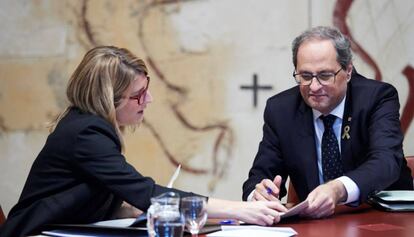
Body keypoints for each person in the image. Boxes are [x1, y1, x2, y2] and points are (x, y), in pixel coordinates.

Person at [0, 46, 287, 237]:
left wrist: (144, 210)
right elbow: (145, 192)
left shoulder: (86, 126)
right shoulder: (86, 133)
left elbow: (113, 197)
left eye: (145, 89)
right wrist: (241, 209)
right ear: (108, 100)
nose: (147, 100)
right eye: (138, 95)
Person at [242, 26, 413, 219]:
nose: (314, 87)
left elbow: (386, 162)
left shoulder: (376, 98)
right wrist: (258, 195)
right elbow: (259, 176)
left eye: (324, 75)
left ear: (348, 71)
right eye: (305, 76)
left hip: (386, 220)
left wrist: (338, 188)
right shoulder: (281, 110)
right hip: (318, 225)